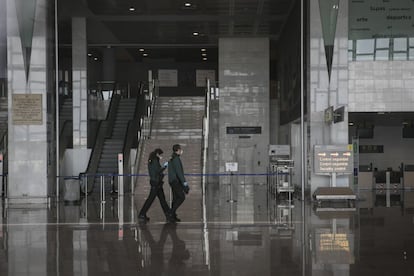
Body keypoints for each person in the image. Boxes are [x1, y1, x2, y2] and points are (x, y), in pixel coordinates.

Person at [138, 148, 171, 222]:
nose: (161, 156)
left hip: (156, 182)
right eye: (160, 155)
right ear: (157, 154)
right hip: (156, 183)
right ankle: (142, 214)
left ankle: (168, 214)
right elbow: (158, 170)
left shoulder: (152, 160)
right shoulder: (155, 160)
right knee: (152, 199)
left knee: (162, 199)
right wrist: (165, 166)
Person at [168, 144, 190, 222]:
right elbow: (179, 173)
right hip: (175, 181)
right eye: (180, 150)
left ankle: (172, 215)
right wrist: (185, 184)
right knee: (181, 197)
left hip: (172, 180)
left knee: (175, 198)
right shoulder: (176, 159)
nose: (181, 151)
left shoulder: (172, 158)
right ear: (177, 150)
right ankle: (171, 213)